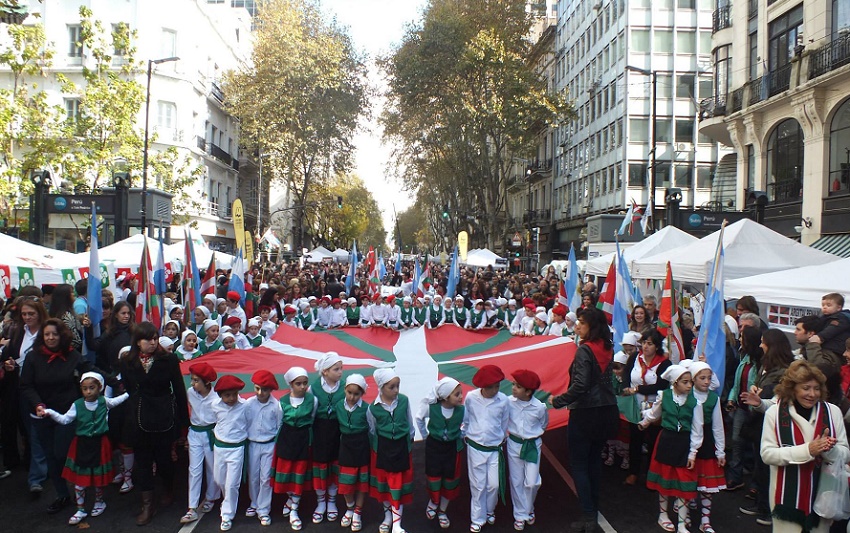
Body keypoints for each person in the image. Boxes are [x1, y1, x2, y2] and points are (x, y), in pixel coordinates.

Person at [20, 318, 110, 515]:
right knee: (51, 457)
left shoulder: (72, 355)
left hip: (67, 413)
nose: (51, 338)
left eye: (55, 334)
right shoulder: (33, 357)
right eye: (47, 334)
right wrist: (37, 404)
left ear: (62, 335)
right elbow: (26, 385)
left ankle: (83, 486)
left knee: (62, 453)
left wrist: (116, 380)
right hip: (42, 414)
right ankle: (62, 494)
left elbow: (91, 369)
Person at [549, 307, 619, 533]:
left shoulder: (584, 351)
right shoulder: (608, 348)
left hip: (586, 413)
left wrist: (558, 401)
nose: (576, 325)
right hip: (607, 411)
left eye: (581, 322)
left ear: (592, 326)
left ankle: (588, 515)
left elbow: (581, 385)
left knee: (579, 464)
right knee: (593, 462)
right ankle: (592, 511)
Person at [760, 360, 849, 533]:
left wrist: (830, 449)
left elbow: (846, 453)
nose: (812, 394)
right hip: (786, 499)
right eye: (806, 388)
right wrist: (808, 450)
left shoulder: (833, 412)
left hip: (823, 496)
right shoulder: (775, 413)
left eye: (816, 388)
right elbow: (767, 454)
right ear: (792, 388)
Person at [119, 321, 189, 526]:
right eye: (147, 339)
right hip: (139, 416)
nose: (152, 342)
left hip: (163, 414)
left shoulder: (168, 359)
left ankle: (168, 488)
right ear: (137, 342)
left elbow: (178, 389)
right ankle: (147, 504)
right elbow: (130, 388)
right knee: (143, 461)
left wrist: (184, 421)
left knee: (164, 458)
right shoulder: (128, 361)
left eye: (154, 338)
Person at [40, 372, 128, 525]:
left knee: (98, 477)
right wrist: (49, 412)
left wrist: (130, 392)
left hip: (100, 443)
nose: (88, 392)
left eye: (92, 388)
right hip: (82, 444)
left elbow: (118, 400)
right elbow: (65, 419)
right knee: (80, 479)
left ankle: (99, 502)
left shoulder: (104, 402)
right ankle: (80, 508)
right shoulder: (77, 405)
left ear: (99, 388)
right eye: (85, 388)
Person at [738, 328, 797, 525]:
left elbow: (777, 402)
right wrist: (755, 389)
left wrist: (760, 401)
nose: (761, 345)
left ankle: (770, 511)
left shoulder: (787, 371)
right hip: (759, 423)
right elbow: (759, 386)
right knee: (760, 467)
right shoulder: (766, 365)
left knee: (769, 469)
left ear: (772, 346)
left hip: (772, 425)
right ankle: (762, 504)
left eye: (764, 342)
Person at [639, 364, 702, 533]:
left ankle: (682, 523)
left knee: (684, 482)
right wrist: (644, 422)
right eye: (685, 382)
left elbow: (698, 428)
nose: (689, 385)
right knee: (664, 479)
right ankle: (663, 515)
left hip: (684, 443)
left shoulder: (695, 401)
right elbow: (654, 413)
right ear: (675, 383)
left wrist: (693, 452)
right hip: (667, 440)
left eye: (690, 382)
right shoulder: (664, 396)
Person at [0, 295, 48, 494]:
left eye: (31, 314)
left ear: (40, 314)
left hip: (43, 388)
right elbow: (8, 355)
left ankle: (39, 473)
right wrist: (8, 363)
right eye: (24, 314)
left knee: (40, 431)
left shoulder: (48, 331)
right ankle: (37, 470)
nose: (27, 317)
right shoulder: (18, 331)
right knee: (29, 431)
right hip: (20, 387)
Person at [622, 328, 671, 486]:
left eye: (649, 343)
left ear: (656, 346)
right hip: (635, 404)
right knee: (635, 439)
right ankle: (633, 472)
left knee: (653, 440)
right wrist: (625, 388)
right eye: (644, 342)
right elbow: (626, 375)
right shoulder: (635, 358)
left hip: (654, 405)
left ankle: (652, 474)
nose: (645, 346)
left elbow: (662, 385)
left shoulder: (664, 363)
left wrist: (638, 389)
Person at [368, 368, 414, 533]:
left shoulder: (404, 401)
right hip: (384, 450)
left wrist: (407, 445)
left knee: (397, 484)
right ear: (381, 387)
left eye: (397, 386)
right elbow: (372, 430)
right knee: (386, 485)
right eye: (391, 387)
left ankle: (397, 524)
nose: (396, 390)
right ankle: (388, 516)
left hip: (401, 448)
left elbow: (409, 424)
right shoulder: (373, 408)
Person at [464, 364, 509, 533]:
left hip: (495, 448)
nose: (495, 390)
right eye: (491, 387)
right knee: (478, 485)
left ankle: (490, 510)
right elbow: (466, 418)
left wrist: (500, 437)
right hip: (475, 447)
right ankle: (477, 518)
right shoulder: (471, 398)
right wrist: (466, 434)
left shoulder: (503, 400)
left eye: (497, 386)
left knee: (494, 485)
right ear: (482, 387)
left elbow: (504, 422)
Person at [414, 377, 464, 530]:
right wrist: (425, 435)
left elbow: (468, 423)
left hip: (452, 449)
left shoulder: (462, 410)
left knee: (450, 478)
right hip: (434, 447)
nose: (461, 397)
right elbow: (419, 418)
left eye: (461, 393)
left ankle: (442, 510)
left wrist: (461, 434)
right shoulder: (432, 407)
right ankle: (434, 501)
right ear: (446, 396)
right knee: (434, 477)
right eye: (457, 394)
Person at [272, 366, 317, 531]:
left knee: (298, 476)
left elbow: (312, 418)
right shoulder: (282, 402)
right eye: (299, 383)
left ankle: (294, 510)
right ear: (291, 384)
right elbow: (279, 422)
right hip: (286, 439)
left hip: (303, 440)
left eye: (305, 383)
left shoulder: (313, 400)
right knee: (286, 474)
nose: (303, 387)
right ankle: (290, 499)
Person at [507, 370, 548, 531]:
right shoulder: (509, 402)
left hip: (532, 446)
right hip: (514, 444)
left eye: (517, 386)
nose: (513, 388)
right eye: (513, 385)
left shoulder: (539, 407)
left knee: (532, 482)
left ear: (528, 391)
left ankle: (528, 508)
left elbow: (543, 424)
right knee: (516, 481)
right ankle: (520, 515)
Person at [688, 361, 726, 533]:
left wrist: (720, 450)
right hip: (688, 440)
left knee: (706, 483)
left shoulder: (713, 398)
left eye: (709, 378)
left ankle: (705, 519)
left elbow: (718, 426)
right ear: (693, 379)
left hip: (707, 441)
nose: (706, 381)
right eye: (702, 378)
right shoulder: (687, 396)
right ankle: (685, 511)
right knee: (688, 480)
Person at [181, 362, 220, 525]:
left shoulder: (216, 398)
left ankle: (211, 497)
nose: (192, 383)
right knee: (194, 469)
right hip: (194, 434)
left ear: (207, 382)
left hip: (210, 434)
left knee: (212, 468)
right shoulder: (190, 393)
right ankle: (192, 507)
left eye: (196, 380)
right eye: (192, 379)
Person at [725, 325, 762, 491]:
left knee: (756, 448)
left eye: (742, 337)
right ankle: (735, 477)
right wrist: (732, 399)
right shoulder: (744, 357)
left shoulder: (761, 362)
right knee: (737, 442)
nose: (740, 339)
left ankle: (756, 484)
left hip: (755, 410)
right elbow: (737, 383)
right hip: (741, 407)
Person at [244, 370, 282, 527]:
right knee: (253, 475)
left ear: (271, 390)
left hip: (269, 444)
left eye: (265, 389)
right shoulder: (249, 404)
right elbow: (245, 422)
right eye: (257, 388)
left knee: (265, 478)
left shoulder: (276, 406)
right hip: (253, 444)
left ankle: (264, 509)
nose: (260, 393)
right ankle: (254, 502)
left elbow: (279, 425)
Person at [310, 353, 345, 524]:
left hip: (337, 431)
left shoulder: (345, 387)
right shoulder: (314, 388)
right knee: (320, 467)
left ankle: (332, 501)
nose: (340, 372)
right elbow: (311, 413)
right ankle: (320, 502)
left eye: (341, 368)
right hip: (320, 431)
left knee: (334, 467)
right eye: (336, 369)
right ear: (325, 371)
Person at [211, 374, 249, 532]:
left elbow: (250, 421)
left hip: (237, 448)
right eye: (227, 395)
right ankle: (227, 501)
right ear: (220, 395)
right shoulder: (215, 405)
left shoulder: (245, 405)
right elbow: (213, 422)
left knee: (232, 483)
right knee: (219, 480)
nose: (232, 398)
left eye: (234, 394)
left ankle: (227, 515)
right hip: (220, 448)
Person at [336, 374, 370, 532]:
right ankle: (349, 507)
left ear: (362, 394)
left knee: (361, 484)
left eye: (356, 394)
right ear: (344, 390)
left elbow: (372, 428)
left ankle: (358, 512)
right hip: (346, 447)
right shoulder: (338, 406)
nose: (352, 397)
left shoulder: (367, 408)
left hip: (361, 447)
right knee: (346, 483)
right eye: (349, 392)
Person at [49, 284, 83, 352]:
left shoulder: (55, 313)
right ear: (66, 297)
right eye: (72, 292)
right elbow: (76, 340)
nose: (74, 295)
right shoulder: (67, 316)